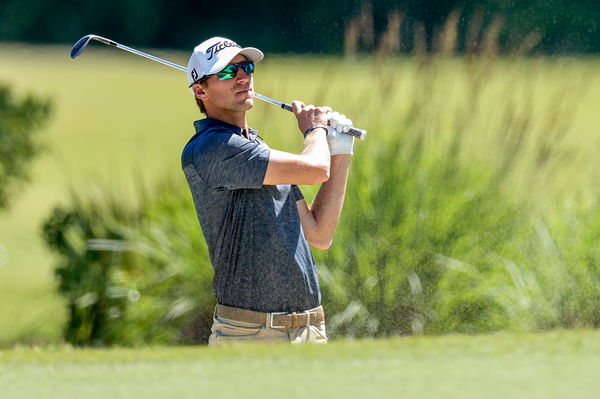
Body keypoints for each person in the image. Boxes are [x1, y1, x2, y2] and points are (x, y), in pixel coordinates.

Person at [181, 37, 355, 345]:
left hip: (309, 329)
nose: (242, 76)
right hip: (248, 333)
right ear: (200, 90)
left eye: (245, 67)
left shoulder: (259, 151)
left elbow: (319, 234)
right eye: (225, 72)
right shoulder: (212, 148)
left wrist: (341, 149)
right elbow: (315, 169)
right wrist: (315, 130)